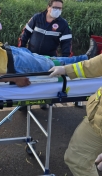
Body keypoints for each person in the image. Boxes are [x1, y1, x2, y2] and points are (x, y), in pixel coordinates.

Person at [49, 40, 102, 176]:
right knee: (76, 159)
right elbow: (96, 64)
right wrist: (66, 69)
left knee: (78, 160)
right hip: (97, 117)